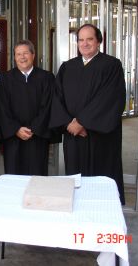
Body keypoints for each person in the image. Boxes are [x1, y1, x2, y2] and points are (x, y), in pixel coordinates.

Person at [50, 23, 126, 204]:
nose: (84, 44)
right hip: (74, 135)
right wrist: (68, 123)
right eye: (80, 40)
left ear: (99, 41)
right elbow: (56, 98)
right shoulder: (67, 67)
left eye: (89, 39)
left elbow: (110, 98)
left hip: (101, 136)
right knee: (76, 180)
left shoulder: (111, 65)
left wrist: (82, 122)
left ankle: (103, 211)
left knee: (101, 179)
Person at [0, 40, 55, 175]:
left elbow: (48, 106)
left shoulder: (46, 78)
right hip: (13, 137)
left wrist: (34, 128)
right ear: (14, 57)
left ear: (33, 55)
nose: (22, 57)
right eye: (18, 54)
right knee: (14, 175)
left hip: (37, 136)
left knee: (37, 175)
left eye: (26, 53)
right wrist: (15, 129)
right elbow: (1, 107)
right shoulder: (5, 79)